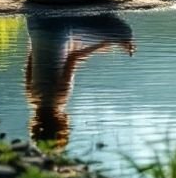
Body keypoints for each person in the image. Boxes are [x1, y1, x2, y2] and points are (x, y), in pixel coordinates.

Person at [25, 13, 135, 147]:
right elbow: (31, 55)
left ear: (60, 125)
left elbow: (73, 57)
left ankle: (117, 39)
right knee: (77, 40)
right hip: (34, 26)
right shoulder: (32, 95)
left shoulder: (59, 96)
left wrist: (101, 45)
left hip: (59, 28)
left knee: (122, 33)